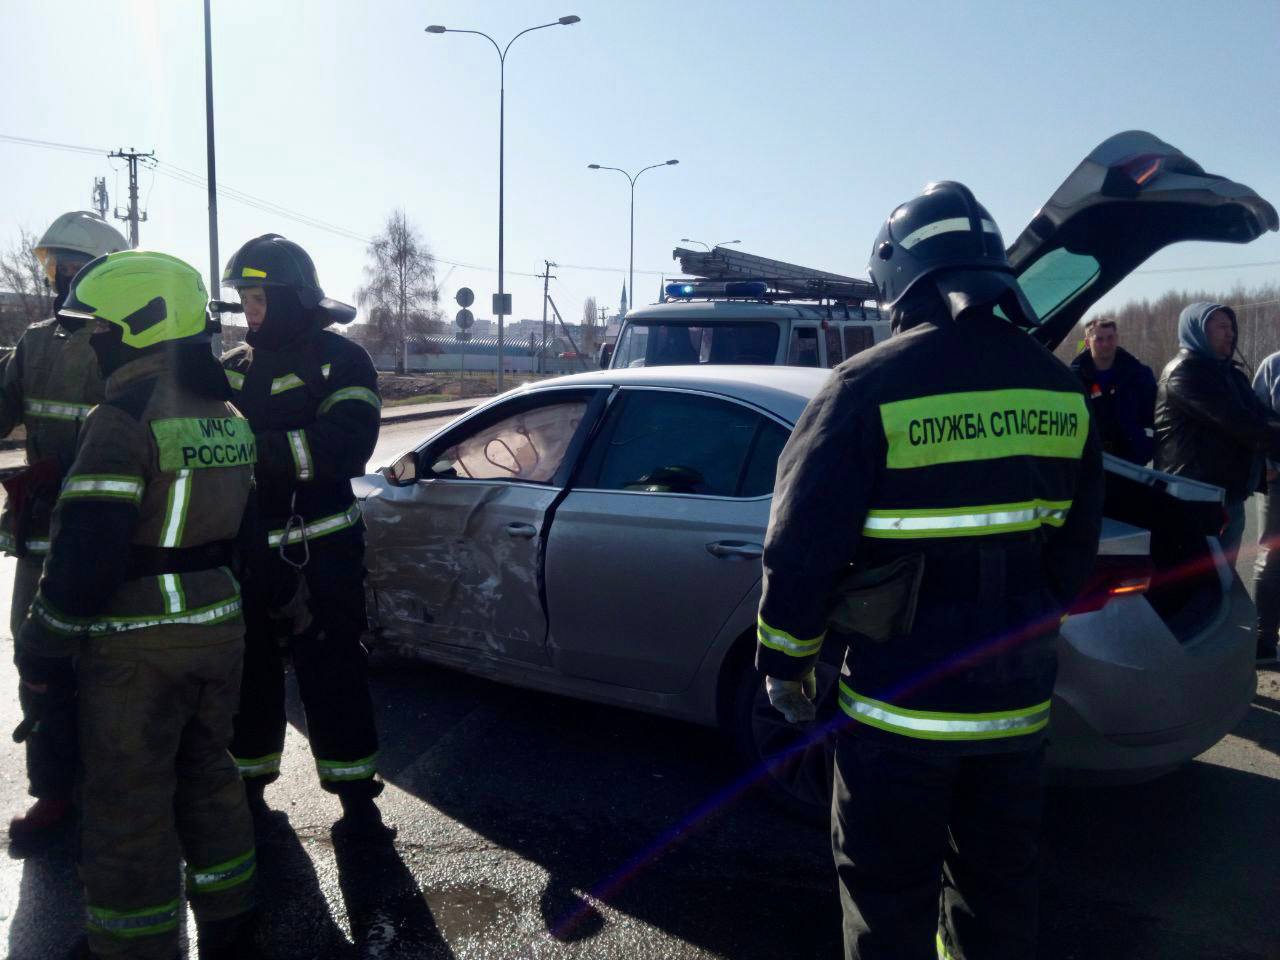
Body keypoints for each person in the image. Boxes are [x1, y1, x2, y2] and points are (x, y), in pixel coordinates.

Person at [756, 181, 1103, 960]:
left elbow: (799, 549)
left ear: (900, 278)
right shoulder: (1060, 389)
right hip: (1016, 716)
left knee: (886, 900)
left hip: (896, 717)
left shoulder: (865, 387)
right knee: (998, 898)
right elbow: (1076, 550)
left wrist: (785, 665)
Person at [14, 251, 259, 959]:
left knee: (128, 798)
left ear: (138, 325)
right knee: (210, 774)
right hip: (219, 632)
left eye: (100, 328)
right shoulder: (225, 412)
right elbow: (246, 540)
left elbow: (86, 555)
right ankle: (231, 916)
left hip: (136, 648)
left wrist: (41, 643)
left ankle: (132, 946)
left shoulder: (121, 418)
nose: (93, 342)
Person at [219, 234, 386, 829]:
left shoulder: (343, 361)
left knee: (331, 667)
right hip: (248, 553)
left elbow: (346, 444)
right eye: (242, 298)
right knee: (250, 672)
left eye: (257, 297)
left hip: (322, 549)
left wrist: (248, 450)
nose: (248, 311)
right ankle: (249, 781)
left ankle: (355, 793)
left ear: (290, 297)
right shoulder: (232, 367)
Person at [0, 211, 127, 838]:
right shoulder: (34, 342)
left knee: (109, 666)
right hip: (39, 538)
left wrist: (61, 465)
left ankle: (113, 790)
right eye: (55, 266)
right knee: (36, 661)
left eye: (71, 266)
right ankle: (53, 791)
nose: (61, 279)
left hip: (108, 537)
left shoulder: (125, 343)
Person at [1154, 302, 1280, 565]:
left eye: (1231, 326)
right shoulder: (1184, 374)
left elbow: (1263, 416)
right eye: (1221, 326)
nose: (1230, 333)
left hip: (1228, 499)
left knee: (1222, 582)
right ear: (1198, 331)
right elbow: (1243, 425)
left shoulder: (1232, 375)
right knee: (1198, 587)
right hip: (1193, 501)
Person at [1070, 316, 1156, 464]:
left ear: (1117, 338)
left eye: (1110, 338)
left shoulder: (1139, 374)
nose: (1105, 344)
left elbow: (1153, 414)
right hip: (1089, 462)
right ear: (1087, 343)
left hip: (1132, 463)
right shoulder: (1073, 379)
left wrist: (1144, 445)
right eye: (1099, 339)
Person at [1251, 345, 1280, 665]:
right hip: (1278, 481)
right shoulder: (1273, 366)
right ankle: (1264, 638)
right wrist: (1266, 465)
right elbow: (1255, 418)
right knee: (1271, 558)